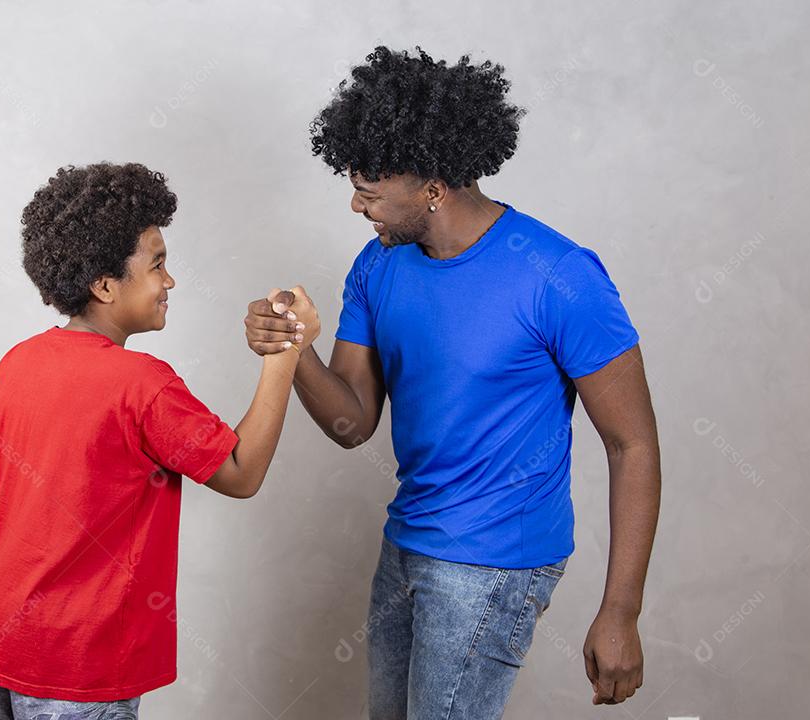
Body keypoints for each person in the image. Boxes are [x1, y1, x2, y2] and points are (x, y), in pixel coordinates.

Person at [244, 46, 661, 718]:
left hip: (495, 564)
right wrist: (297, 353)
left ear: (433, 187)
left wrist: (621, 610)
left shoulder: (559, 275)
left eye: (371, 191)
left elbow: (632, 444)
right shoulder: (378, 267)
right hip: (405, 545)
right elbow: (353, 424)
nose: (356, 205)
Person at [0, 162, 319, 719]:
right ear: (104, 285)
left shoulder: (16, 362)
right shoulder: (141, 383)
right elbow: (242, 472)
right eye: (157, 265)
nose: (170, 281)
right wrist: (285, 353)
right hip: (78, 665)